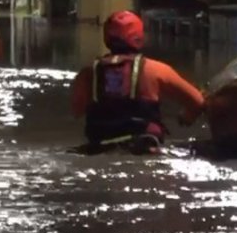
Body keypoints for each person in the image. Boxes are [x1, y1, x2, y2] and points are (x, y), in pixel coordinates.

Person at [69, 10, 206, 154]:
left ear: (106, 37)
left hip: (98, 146)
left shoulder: (89, 72)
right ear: (139, 37)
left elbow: (77, 111)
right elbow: (197, 102)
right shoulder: (155, 70)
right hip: (143, 147)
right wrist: (187, 117)